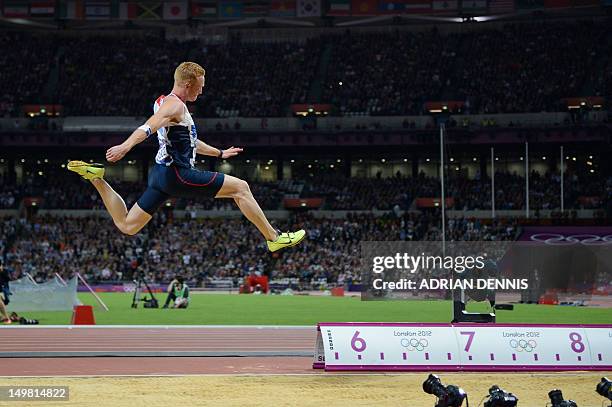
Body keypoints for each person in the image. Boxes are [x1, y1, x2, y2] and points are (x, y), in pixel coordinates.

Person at [67, 62, 304, 252]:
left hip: (160, 175)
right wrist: (125, 146)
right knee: (241, 188)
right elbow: (149, 126)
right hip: (178, 175)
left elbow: (191, 143)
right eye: (200, 86)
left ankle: (96, 178)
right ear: (188, 84)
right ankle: (274, 238)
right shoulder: (175, 106)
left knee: (127, 225)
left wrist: (220, 153)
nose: (202, 90)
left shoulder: (164, 102)